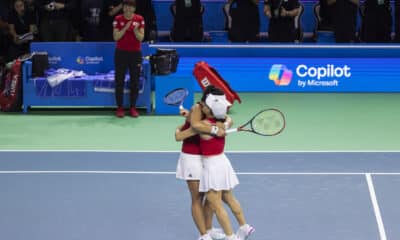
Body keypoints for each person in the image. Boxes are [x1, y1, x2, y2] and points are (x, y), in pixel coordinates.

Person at [177, 86, 255, 240]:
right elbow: (188, 131)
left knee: (215, 201)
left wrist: (181, 130)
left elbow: (203, 125)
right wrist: (215, 128)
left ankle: (224, 234)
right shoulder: (204, 114)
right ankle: (205, 234)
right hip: (194, 158)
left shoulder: (210, 117)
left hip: (211, 164)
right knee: (200, 198)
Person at [175, 86, 230, 240]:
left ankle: (210, 229)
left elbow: (228, 119)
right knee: (197, 198)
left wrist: (224, 125)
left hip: (207, 158)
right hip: (191, 157)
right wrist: (212, 129)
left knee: (210, 196)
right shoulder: (197, 108)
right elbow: (192, 129)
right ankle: (203, 235)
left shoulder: (215, 108)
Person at [112, 0, 144, 118]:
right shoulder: (118, 19)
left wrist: (135, 30)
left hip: (135, 54)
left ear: (134, 9)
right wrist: (125, 27)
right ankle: (120, 108)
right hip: (121, 54)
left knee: (134, 81)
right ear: (123, 8)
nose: (128, 9)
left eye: (131, 7)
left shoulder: (140, 19)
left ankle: (133, 108)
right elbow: (116, 37)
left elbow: (141, 38)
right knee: (119, 81)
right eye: (126, 6)